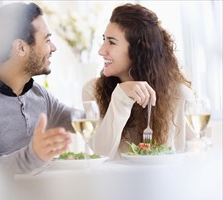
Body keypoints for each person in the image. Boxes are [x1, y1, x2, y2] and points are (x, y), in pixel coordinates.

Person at [0, 2, 73, 174]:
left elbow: (82, 121)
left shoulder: (38, 93)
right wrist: (32, 156)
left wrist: (119, 94)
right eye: (47, 40)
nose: (53, 47)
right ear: (21, 48)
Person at [82, 3, 195, 159]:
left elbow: (193, 153)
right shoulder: (92, 90)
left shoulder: (179, 95)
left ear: (138, 51)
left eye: (112, 42)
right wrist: (119, 98)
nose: (101, 50)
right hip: (110, 183)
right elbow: (100, 154)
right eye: (104, 40)